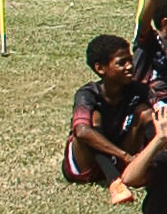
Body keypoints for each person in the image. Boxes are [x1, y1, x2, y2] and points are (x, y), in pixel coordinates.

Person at [64, 33, 152, 193]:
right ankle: (114, 182)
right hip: (86, 165)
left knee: (145, 112)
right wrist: (124, 156)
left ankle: (162, 165)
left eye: (130, 60)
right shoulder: (87, 94)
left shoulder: (138, 90)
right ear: (100, 68)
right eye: (121, 63)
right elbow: (82, 132)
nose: (130, 66)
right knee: (92, 119)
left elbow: (161, 115)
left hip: (119, 158)